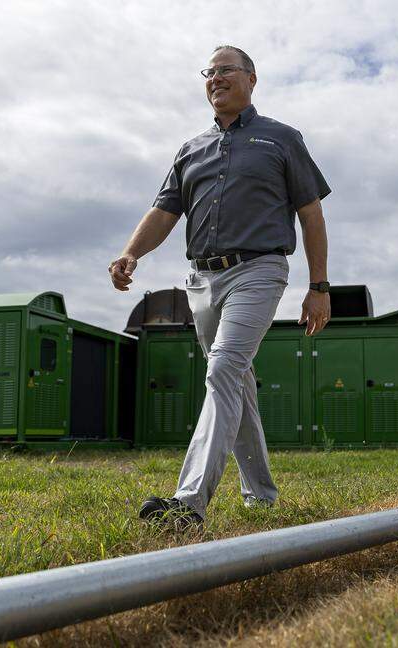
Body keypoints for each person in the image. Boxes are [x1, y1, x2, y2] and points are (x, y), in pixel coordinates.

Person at [108, 45, 332, 530]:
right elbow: (164, 212)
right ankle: (262, 495)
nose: (215, 78)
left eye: (226, 70)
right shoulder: (190, 149)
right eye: (209, 73)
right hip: (202, 280)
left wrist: (319, 286)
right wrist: (131, 253)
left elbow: (311, 215)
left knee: (224, 368)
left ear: (252, 79)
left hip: (259, 270)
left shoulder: (281, 139)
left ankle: (188, 502)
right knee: (237, 382)